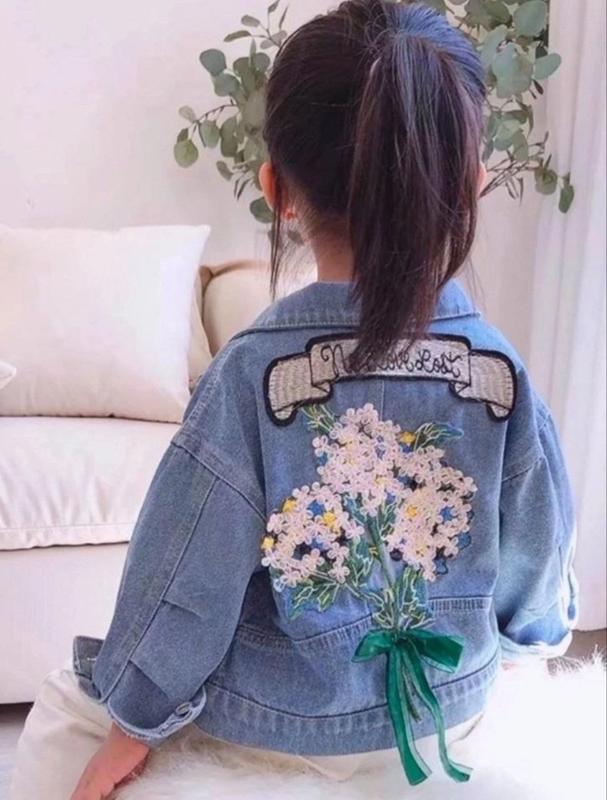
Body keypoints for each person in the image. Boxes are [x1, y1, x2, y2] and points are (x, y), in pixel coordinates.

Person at [11, 1, 577, 797]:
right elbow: (537, 554)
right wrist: (519, 656)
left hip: (274, 721)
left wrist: (129, 724)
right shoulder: (500, 373)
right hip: (445, 706)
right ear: (471, 187)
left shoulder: (250, 374)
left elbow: (185, 580)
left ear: (275, 188)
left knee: (62, 711)